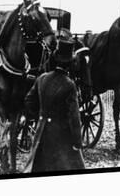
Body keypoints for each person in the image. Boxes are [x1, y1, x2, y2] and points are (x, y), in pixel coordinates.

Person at [23, 34, 85, 173]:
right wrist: (77, 142)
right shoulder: (69, 85)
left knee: (37, 167)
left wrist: (39, 116)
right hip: (62, 137)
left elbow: (28, 101)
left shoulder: (42, 78)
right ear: (69, 64)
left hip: (41, 132)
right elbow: (74, 116)